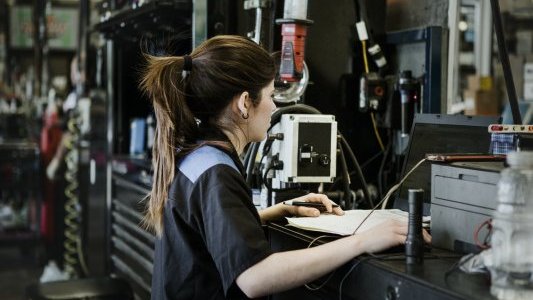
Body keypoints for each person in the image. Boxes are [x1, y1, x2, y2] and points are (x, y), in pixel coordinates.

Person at [140, 35, 431, 300]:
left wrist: (268, 214)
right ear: (244, 103)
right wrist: (363, 241)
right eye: (269, 95)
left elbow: (204, 229)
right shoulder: (217, 171)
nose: (275, 107)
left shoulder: (197, 155)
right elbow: (255, 277)